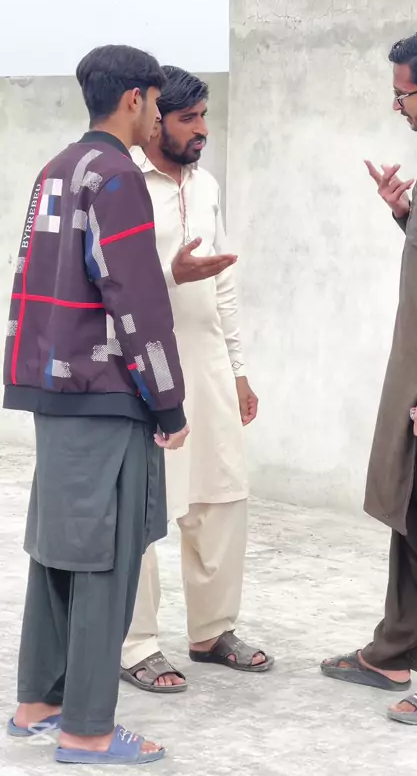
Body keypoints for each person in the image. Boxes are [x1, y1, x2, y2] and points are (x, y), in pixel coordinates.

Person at [3, 45, 189, 765]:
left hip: (52, 389)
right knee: (105, 565)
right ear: (136, 98)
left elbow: (32, 276)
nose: (157, 117)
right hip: (106, 394)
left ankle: (38, 702)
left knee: (56, 552)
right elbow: (135, 298)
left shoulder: (56, 168)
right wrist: (168, 402)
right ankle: (86, 730)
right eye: (156, 103)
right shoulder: (117, 176)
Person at [321, 27, 417, 727]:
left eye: (402, 94)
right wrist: (404, 213)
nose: (397, 106)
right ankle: (394, 650)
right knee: (412, 518)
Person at [120, 67, 273, 693]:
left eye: (205, 116)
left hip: (206, 360)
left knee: (220, 494)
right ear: (156, 120)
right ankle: (136, 643)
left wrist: (238, 370)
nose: (202, 129)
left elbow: (223, 282)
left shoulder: (206, 185)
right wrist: (170, 274)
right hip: (143, 364)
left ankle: (212, 631)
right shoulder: (125, 182)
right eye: (189, 118)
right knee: (144, 505)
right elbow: (109, 281)